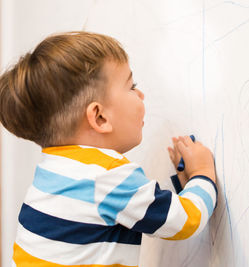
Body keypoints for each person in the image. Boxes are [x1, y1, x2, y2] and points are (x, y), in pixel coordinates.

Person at [0, 31, 217, 267]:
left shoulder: (50, 172)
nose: (141, 94)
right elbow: (186, 221)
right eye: (132, 86)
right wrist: (202, 173)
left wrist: (183, 183)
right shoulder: (109, 176)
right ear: (100, 117)